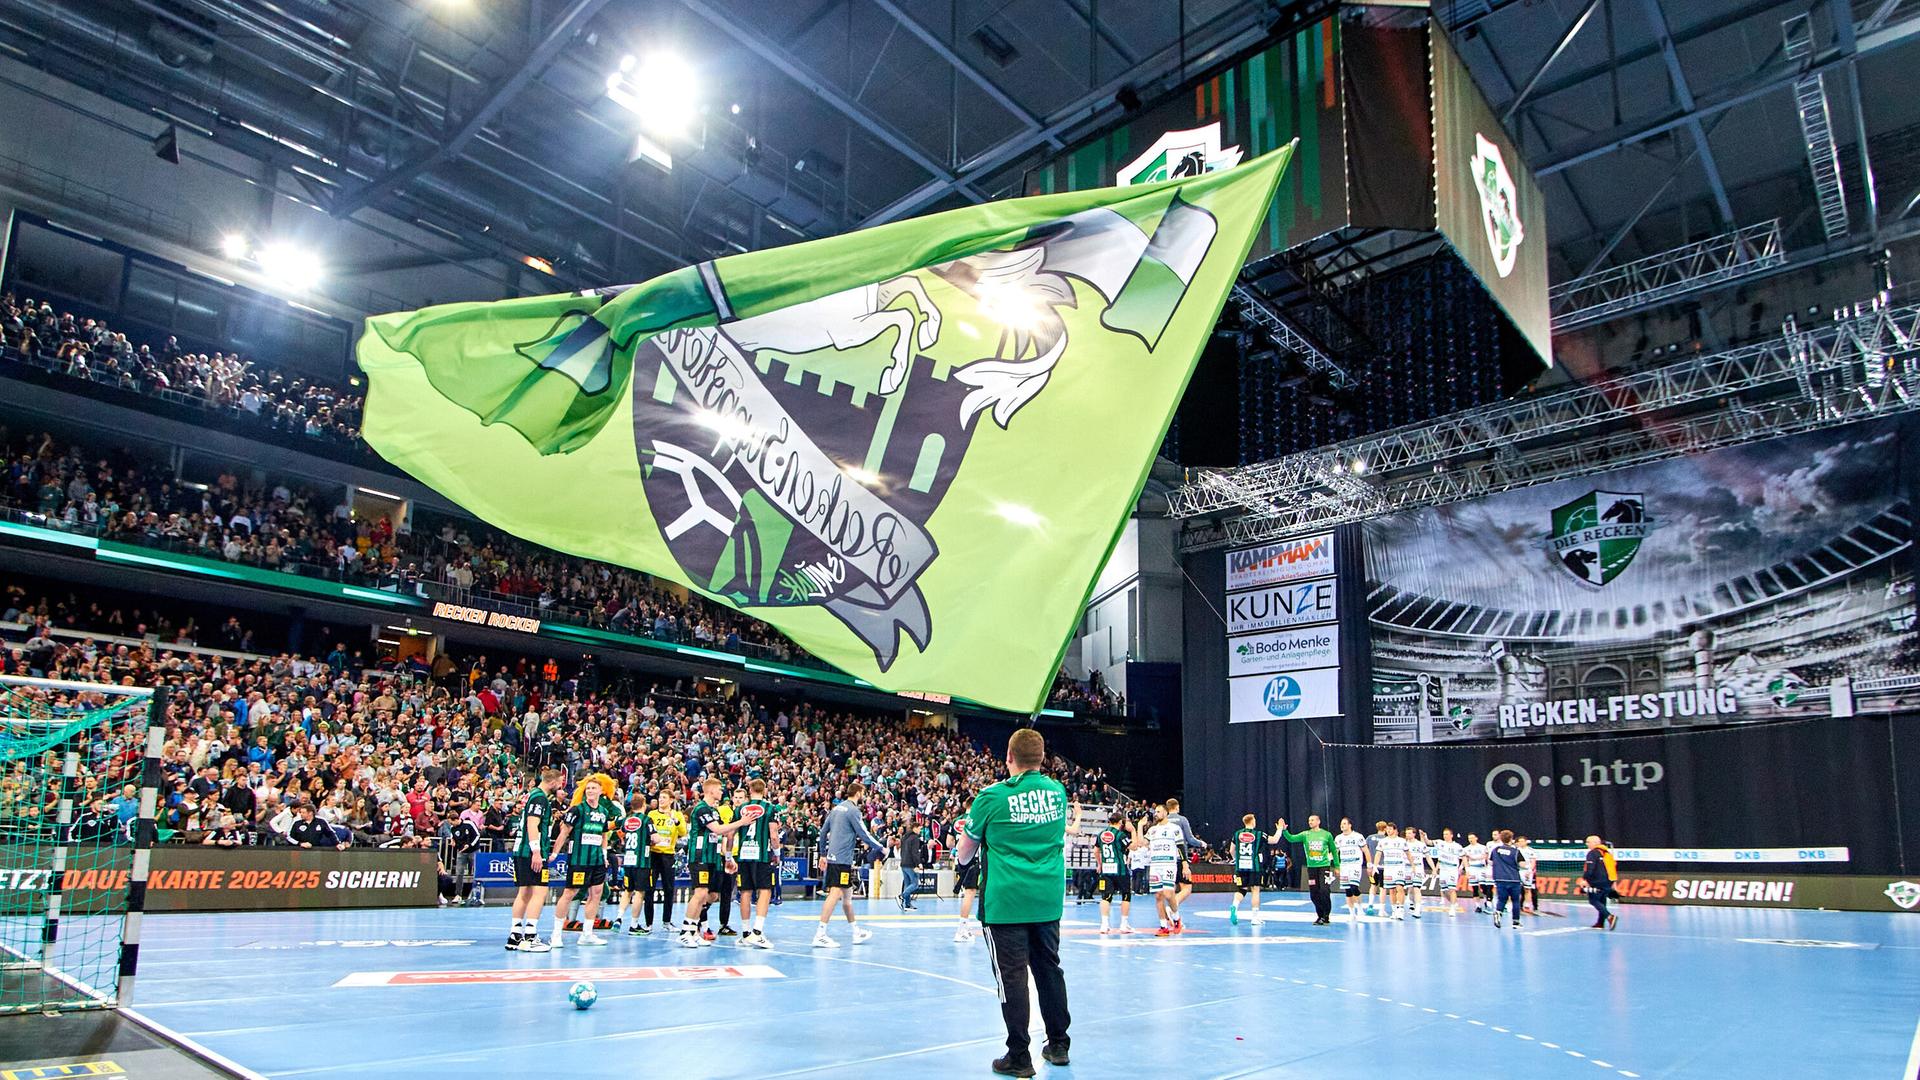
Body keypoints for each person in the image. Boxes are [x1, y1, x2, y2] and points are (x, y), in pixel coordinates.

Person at [953, 728, 1071, 1078]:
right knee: (1049, 969)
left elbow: (965, 852)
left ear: (1009, 757)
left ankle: (1019, 1055)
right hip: (1047, 900)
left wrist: (963, 863)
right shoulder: (1058, 793)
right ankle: (1059, 1043)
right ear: (1041, 758)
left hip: (1006, 902)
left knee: (1012, 977)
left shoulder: (991, 797)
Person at [814, 780, 886, 949]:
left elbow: (823, 832)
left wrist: (823, 854)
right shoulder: (853, 810)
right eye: (863, 792)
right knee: (835, 893)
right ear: (858, 793)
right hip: (842, 859)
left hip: (835, 858)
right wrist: (881, 848)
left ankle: (856, 931)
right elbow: (864, 834)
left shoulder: (836, 809)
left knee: (847, 896)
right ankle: (820, 933)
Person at [547, 777, 618, 948]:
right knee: (570, 893)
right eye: (588, 788)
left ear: (601, 791)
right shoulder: (576, 810)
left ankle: (587, 934)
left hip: (597, 861)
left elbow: (603, 835)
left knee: (596, 894)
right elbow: (564, 833)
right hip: (579, 860)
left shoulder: (603, 812)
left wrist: (604, 854)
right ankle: (556, 934)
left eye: (594, 788)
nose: (590, 791)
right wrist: (555, 853)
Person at [679, 778, 749, 948]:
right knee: (700, 893)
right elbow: (717, 829)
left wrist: (728, 857)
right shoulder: (701, 809)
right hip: (699, 856)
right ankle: (685, 931)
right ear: (711, 791)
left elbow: (723, 834)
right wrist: (742, 822)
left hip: (712, 857)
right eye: (719, 789)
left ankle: (694, 931)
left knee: (707, 895)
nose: (721, 792)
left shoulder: (714, 811)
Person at [507, 767, 563, 952]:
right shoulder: (540, 798)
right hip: (531, 852)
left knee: (524, 893)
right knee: (539, 892)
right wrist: (537, 852)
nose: (561, 786)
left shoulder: (534, 795)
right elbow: (533, 825)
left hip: (521, 851)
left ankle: (515, 936)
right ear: (552, 782)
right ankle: (530, 937)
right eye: (560, 782)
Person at [732, 777, 784, 949]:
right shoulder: (770, 808)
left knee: (745, 892)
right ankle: (757, 932)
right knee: (765, 891)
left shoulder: (739, 808)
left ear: (750, 790)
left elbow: (731, 833)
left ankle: (746, 933)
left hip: (743, 855)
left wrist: (728, 855)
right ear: (765, 790)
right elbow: (774, 835)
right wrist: (776, 853)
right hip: (761, 855)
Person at [1277, 814, 1338, 925]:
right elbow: (1291, 839)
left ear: (1318, 821)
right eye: (1309, 820)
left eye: (1312, 820)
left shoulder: (1326, 835)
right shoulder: (1306, 834)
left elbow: (1334, 850)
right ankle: (1319, 915)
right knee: (1314, 893)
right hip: (1311, 868)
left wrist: (1337, 866)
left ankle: (1326, 915)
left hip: (1324, 866)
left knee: (1324, 890)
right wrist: (1284, 830)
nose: (1310, 822)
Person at [646, 789, 686, 935]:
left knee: (669, 889)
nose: (661, 800)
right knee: (649, 889)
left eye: (664, 798)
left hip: (668, 855)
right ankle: (648, 924)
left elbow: (683, 832)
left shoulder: (677, 815)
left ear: (671, 800)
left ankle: (667, 922)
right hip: (653, 855)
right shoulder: (652, 814)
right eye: (660, 797)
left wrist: (674, 819)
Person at [619, 793, 659, 934]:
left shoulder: (627, 819)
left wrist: (624, 842)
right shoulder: (647, 820)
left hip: (628, 859)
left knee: (627, 890)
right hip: (641, 861)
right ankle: (634, 924)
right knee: (639, 893)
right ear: (644, 805)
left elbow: (621, 832)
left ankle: (618, 917)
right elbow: (655, 837)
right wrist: (656, 839)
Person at [1093, 810, 1135, 935]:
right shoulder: (1120, 835)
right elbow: (1134, 847)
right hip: (1120, 870)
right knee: (1126, 895)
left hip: (1106, 870)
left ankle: (1104, 925)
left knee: (1106, 897)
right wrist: (1133, 831)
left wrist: (1100, 864)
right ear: (1121, 822)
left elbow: (1096, 850)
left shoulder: (1101, 834)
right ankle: (1123, 924)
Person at [1226, 814, 1272, 926]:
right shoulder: (1259, 834)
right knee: (1255, 890)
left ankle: (1234, 906)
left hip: (1241, 867)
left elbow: (1231, 850)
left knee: (1241, 889)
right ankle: (1255, 918)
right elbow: (1274, 840)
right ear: (1252, 821)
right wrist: (1280, 829)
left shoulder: (1237, 834)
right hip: (1254, 867)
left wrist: (1236, 859)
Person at [1145, 806, 1184, 935]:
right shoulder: (1152, 830)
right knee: (1158, 895)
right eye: (1155, 812)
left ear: (1166, 812)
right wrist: (1139, 827)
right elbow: (1141, 843)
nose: (1156, 814)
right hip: (1155, 865)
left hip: (1169, 864)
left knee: (1168, 894)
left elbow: (1180, 847)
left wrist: (1185, 864)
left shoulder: (1174, 828)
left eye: (1158, 811)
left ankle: (1177, 918)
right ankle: (1163, 927)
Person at [1164, 798, 1201, 926]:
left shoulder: (1163, 821)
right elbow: (1190, 839)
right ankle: (1172, 909)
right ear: (1177, 807)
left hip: (1166, 859)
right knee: (1187, 888)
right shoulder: (1182, 820)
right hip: (1179, 858)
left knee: (1170, 889)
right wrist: (1202, 843)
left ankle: (1174, 921)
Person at [953, 808, 982, 941]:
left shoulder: (956, 821)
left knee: (968, 892)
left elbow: (949, 843)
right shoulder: (977, 818)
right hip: (975, 859)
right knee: (970, 893)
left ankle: (964, 927)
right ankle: (962, 929)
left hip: (961, 859)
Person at [1375, 823, 1413, 921]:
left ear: (1395, 830)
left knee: (1399, 888)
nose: (1388, 831)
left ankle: (1400, 910)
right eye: (1387, 829)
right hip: (1388, 868)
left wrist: (1413, 865)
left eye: (1390, 829)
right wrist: (1375, 865)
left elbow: (1408, 854)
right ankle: (1394, 910)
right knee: (1391, 890)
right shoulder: (1383, 841)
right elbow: (1378, 854)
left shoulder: (1401, 841)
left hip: (1399, 867)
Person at [1333, 817, 1368, 922]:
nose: (1342, 825)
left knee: (1354, 887)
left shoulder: (1358, 836)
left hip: (1355, 865)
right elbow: (1335, 853)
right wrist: (1335, 865)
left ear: (1350, 825)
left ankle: (1360, 907)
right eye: (1341, 824)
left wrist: (1370, 864)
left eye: (1344, 823)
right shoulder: (1338, 838)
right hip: (1344, 866)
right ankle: (1352, 913)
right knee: (1347, 890)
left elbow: (1365, 850)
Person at [1489, 829, 1525, 928]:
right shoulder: (1515, 851)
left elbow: (1491, 862)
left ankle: (1498, 913)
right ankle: (1516, 922)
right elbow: (1523, 864)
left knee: (1501, 899)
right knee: (1515, 900)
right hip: (1513, 879)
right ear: (1511, 839)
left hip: (1499, 878)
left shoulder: (1495, 850)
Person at [1582, 834, 1618, 930]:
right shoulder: (1607, 853)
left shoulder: (1592, 853)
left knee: (1593, 900)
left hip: (1596, 881)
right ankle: (1600, 923)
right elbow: (1613, 867)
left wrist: (1585, 880)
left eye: (1588, 842)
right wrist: (1614, 882)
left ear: (1595, 843)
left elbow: (1590, 869)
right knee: (1602, 900)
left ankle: (1610, 917)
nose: (1587, 844)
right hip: (1608, 881)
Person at [1430, 828, 1465, 915]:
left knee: (1452, 889)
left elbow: (1464, 857)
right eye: (1444, 834)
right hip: (1443, 870)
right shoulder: (1440, 843)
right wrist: (1424, 837)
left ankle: (1452, 908)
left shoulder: (1457, 846)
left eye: (1446, 834)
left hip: (1452, 870)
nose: (1445, 836)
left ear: (1451, 835)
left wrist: (1466, 869)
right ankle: (1454, 902)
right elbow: (1428, 842)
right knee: (1444, 891)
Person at [897, 821, 925, 911]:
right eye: (919, 829)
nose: (920, 831)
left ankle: (907, 904)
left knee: (907, 884)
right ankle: (901, 896)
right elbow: (915, 853)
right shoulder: (915, 838)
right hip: (910, 864)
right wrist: (918, 863)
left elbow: (902, 851)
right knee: (915, 884)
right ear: (915, 828)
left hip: (903, 863)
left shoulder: (905, 837)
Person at [1464, 832, 1492, 913]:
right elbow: (1465, 859)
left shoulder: (1483, 847)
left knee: (1484, 887)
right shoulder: (1466, 849)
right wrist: (1467, 870)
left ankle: (1488, 902)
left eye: (1472, 838)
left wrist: (1474, 858)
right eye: (1469, 838)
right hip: (1472, 868)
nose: (1471, 840)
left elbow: (1486, 856)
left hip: (1482, 868)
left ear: (1476, 838)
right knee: (1475, 888)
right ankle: (1478, 906)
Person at [1404, 827, 1428, 918]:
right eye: (1406, 833)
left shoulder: (1420, 844)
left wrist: (1433, 869)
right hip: (1407, 868)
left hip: (1418, 868)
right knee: (1410, 889)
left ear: (1414, 834)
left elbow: (1428, 857)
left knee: (1417, 888)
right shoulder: (1404, 844)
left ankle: (1418, 909)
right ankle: (1412, 904)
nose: (1408, 835)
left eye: (1410, 833)